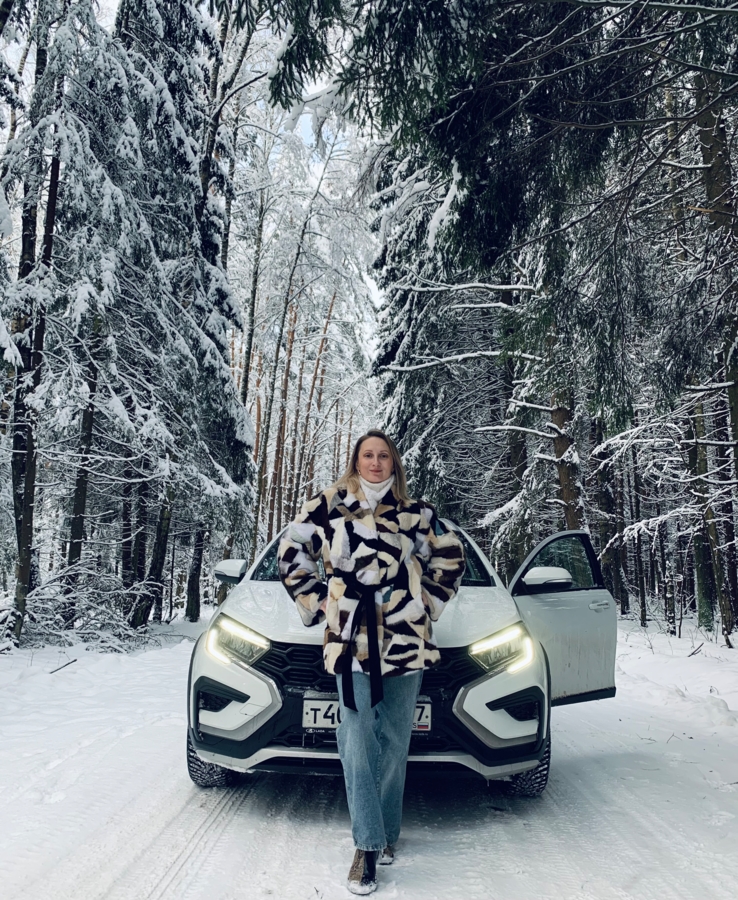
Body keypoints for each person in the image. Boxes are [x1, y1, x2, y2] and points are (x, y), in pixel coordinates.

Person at [278, 429, 465, 894]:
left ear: (394, 463)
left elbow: (451, 556)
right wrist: (321, 600)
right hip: (350, 638)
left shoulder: (417, 513)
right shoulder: (329, 504)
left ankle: (386, 832)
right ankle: (366, 846)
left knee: (395, 740)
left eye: (384, 455)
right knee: (356, 736)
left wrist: (423, 602)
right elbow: (291, 549)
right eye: (368, 455)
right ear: (356, 460)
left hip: (405, 639)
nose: (376, 462)